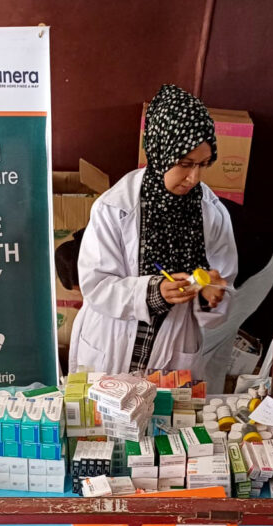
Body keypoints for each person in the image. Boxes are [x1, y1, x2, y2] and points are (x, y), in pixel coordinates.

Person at [68, 84, 237, 377]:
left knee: (163, 418)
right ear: (160, 152)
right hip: (112, 342)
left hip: (173, 346)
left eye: (203, 165)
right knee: (98, 418)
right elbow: (96, 286)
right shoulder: (114, 208)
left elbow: (223, 288)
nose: (194, 177)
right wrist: (153, 292)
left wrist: (212, 294)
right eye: (185, 164)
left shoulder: (211, 214)